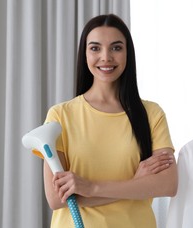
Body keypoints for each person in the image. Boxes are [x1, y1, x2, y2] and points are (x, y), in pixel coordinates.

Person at [42, 13, 177, 227]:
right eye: (95, 48)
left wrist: (90, 188)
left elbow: (167, 184)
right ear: (84, 54)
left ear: (127, 54)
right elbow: (56, 199)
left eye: (116, 47)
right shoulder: (60, 116)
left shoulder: (152, 114)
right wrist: (135, 184)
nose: (106, 57)